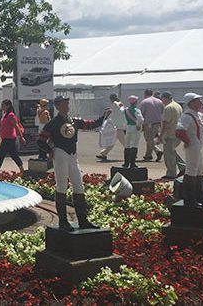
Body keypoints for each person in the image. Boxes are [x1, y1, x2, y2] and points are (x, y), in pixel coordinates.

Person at [37, 95, 107, 231]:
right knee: (62, 185)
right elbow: (40, 140)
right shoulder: (52, 123)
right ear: (58, 106)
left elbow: (91, 124)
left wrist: (103, 117)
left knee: (78, 185)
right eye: (64, 103)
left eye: (68, 103)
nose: (67, 105)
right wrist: (50, 150)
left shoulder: (74, 121)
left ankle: (83, 219)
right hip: (60, 154)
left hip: (72, 155)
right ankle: (63, 221)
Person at [175, 93, 203, 206]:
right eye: (197, 101)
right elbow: (179, 130)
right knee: (191, 171)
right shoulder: (187, 116)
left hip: (197, 145)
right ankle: (189, 198)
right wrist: (187, 141)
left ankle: (199, 196)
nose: (200, 103)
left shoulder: (197, 114)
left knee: (199, 171)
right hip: (193, 145)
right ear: (191, 103)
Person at [0, 99, 25, 175]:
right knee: (14, 155)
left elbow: (16, 127)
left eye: (3, 105)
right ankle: (22, 170)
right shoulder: (5, 114)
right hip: (6, 138)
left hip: (9, 138)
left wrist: (21, 137)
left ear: (8, 106)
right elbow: (3, 126)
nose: (1, 107)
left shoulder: (11, 115)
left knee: (1, 154)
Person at [157, 92, 185, 179]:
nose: (162, 101)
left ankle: (171, 173)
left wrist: (161, 136)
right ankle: (183, 167)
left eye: (162, 99)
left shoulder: (168, 108)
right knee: (172, 151)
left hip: (170, 134)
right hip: (177, 133)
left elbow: (166, 123)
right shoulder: (178, 106)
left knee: (168, 155)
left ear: (165, 98)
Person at [96, 93, 126, 161]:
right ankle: (104, 153)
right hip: (116, 126)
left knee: (124, 142)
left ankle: (131, 154)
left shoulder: (116, 103)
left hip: (117, 126)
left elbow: (117, 109)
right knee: (112, 141)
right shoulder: (116, 104)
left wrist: (109, 110)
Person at [138, 89, 164, 162]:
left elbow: (141, 114)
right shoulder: (159, 101)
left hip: (149, 123)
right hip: (157, 123)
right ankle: (148, 155)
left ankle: (157, 150)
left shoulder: (144, 102)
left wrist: (140, 124)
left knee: (148, 139)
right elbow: (162, 111)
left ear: (145, 94)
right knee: (151, 139)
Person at [122, 95, 144, 168]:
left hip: (128, 127)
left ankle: (126, 162)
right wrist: (138, 125)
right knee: (134, 145)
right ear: (136, 102)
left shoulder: (126, 110)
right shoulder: (136, 110)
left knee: (127, 145)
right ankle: (132, 163)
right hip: (135, 128)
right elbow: (141, 119)